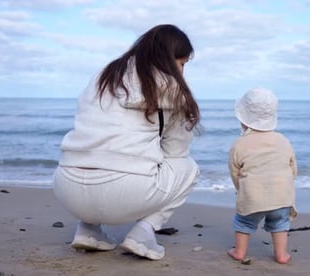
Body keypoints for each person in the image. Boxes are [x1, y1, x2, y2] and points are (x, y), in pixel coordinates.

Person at [52, 24, 201, 261]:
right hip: (125, 192)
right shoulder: (172, 88)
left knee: (99, 150)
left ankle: (88, 229)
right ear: (167, 59)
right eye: (181, 64)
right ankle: (143, 233)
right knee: (188, 168)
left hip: (66, 187)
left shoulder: (103, 75)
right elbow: (176, 151)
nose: (182, 73)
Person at [227, 88, 298, 264]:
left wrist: (240, 190)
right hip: (282, 197)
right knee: (280, 224)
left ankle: (239, 252)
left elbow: (235, 172)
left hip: (253, 197)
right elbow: (292, 169)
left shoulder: (239, 144)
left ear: (243, 119)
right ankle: (281, 255)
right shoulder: (283, 140)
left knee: (244, 223)